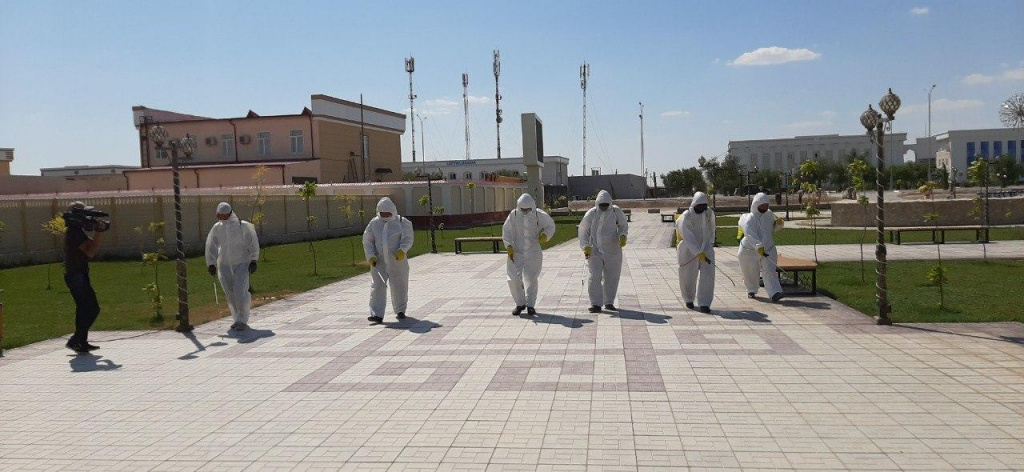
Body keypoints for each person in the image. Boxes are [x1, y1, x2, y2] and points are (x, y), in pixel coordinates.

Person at [205, 202, 260, 331]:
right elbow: (211, 245)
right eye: (218, 215)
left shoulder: (243, 226)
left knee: (240, 292)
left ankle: (243, 319)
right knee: (230, 293)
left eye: (223, 215)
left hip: (241, 263)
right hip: (223, 264)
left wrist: (253, 260)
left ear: (229, 214)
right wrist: (211, 263)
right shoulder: (217, 227)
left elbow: (253, 242)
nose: (220, 218)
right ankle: (236, 318)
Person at [63, 201, 109, 353]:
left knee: (84, 309)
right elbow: (90, 252)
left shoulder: (77, 232)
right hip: (76, 276)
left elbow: (90, 245)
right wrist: (98, 232)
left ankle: (80, 341)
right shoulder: (74, 233)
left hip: (78, 274)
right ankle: (76, 339)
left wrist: (98, 230)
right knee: (92, 308)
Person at [503, 193, 556, 316]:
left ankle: (531, 305)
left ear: (532, 206)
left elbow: (550, 225)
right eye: (523, 209)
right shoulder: (514, 215)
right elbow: (507, 231)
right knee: (513, 278)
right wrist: (509, 246)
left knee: (531, 279)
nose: (525, 211)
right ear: (518, 207)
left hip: (533, 252)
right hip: (516, 252)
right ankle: (520, 303)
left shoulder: (538, 214)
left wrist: (545, 235)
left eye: (528, 209)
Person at [363, 197, 414, 324]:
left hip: (397, 261)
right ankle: (377, 314)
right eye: (382, 213)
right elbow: (367, 240)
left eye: (387, 213)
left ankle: (400, 310)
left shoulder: (402, 222)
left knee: (399, 284)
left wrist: (403, 250)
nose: (385, 215)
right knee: (378, 286)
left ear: (393, 211)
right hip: (378, 262)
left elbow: (408, 237)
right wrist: (371, 256)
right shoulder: (374, 223)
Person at [578, 190, 629, 313]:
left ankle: (609, 302)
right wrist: (585, 246)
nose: (604, 207)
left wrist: (623, 236)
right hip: (594, 250)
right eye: (602, 205)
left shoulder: (616, 211)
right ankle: (595, 303)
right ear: (597, 204)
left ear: (610, 203)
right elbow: (583, 230)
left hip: (613, 250)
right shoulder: (591, 214)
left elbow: (623, 225)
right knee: (594, 276)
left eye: (606, 205)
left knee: (612, 277)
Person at [738, 192, 785, 302]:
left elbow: (774, 229)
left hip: (768, 248)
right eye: (762, 205)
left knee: (769, 270)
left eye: (766, 205)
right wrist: (758, 247)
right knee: (751, 272)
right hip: (749, 250)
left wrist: (779, 224)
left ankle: (774, 292)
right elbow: (749, 234)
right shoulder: (748, 218)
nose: (765, 207)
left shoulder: (769, 215)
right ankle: (751, 290)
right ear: (756, 204)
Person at [676, 192, 716, 313]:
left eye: (704, 205)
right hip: (689, 249)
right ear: (695, 204)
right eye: (700, 205)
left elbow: (712, 228)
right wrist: (697, 251)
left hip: (706, 247)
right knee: (688, 275)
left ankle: (704, 303)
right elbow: (687, 235)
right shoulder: (686, 216)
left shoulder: (708, 213)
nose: (702, 208)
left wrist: (710, 244)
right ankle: (689, 298)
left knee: (708, 275)